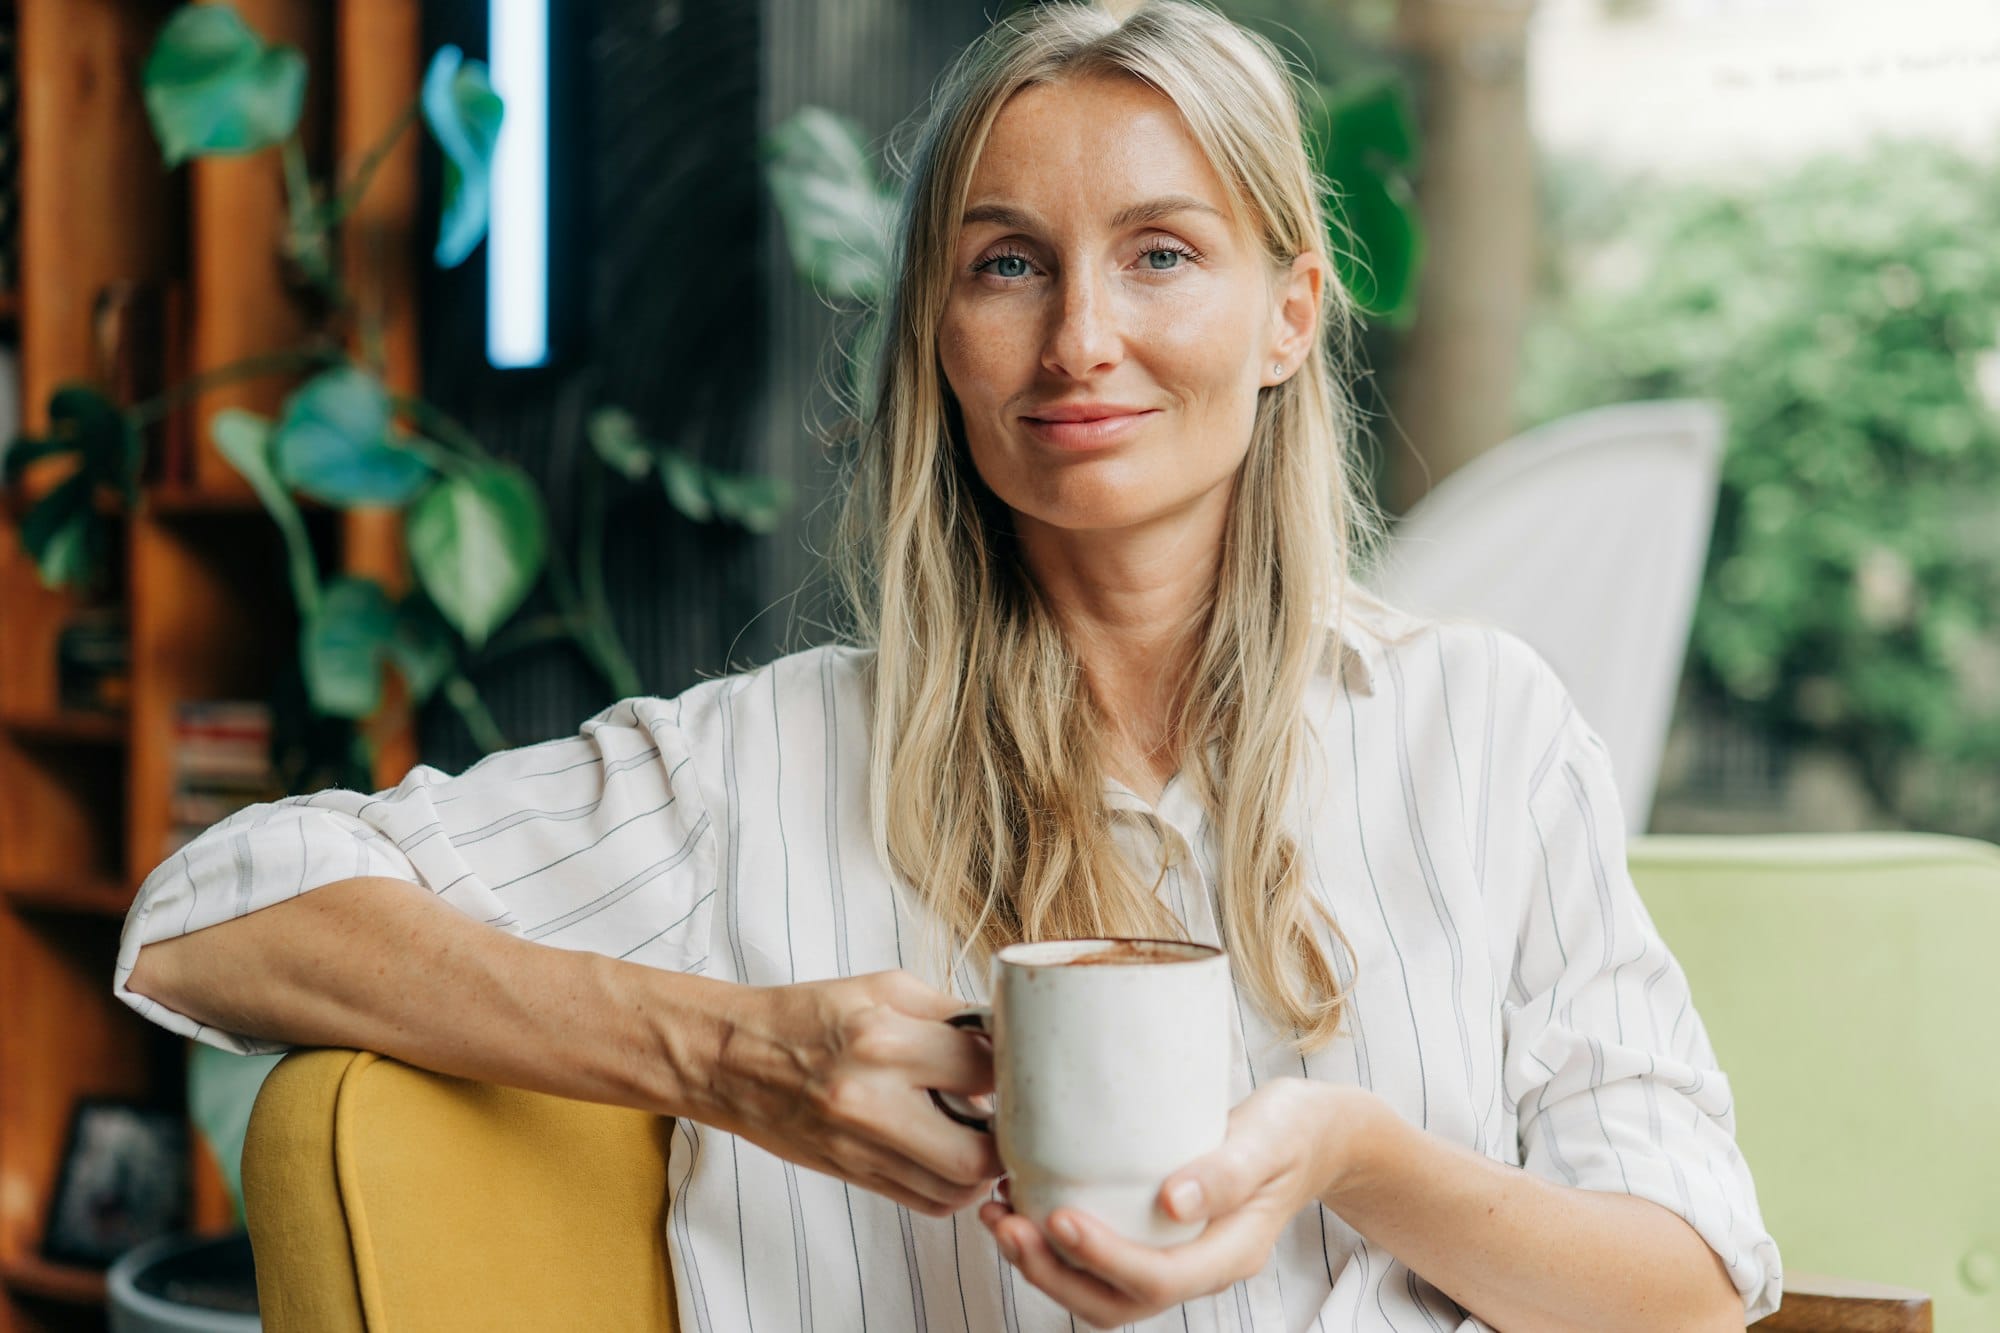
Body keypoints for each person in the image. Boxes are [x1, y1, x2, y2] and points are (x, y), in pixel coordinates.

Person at [115, 2, 1781, 1329]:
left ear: (1289, 315)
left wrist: (1350, 1154)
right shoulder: (754, 767)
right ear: (938, 334)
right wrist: (728, 1053)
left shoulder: (1480, 731)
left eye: (1162, 252)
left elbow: (1695, 1281)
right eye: (1006, 264)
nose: (1079, 340)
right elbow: (211, 913)